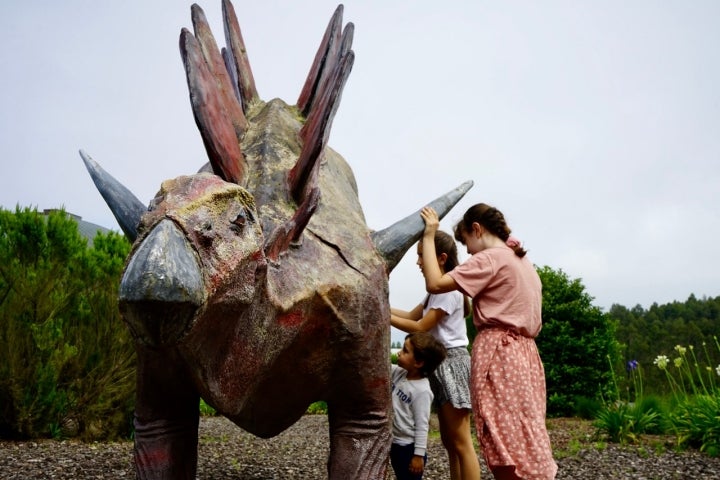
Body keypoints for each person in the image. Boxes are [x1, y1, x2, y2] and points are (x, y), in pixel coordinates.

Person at [418, 203, 557, 480]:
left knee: (501, 433)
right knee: (526, 430)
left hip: (500, 354)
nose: (468, 251)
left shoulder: (491, 258)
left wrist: (430, 234)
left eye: (467, 242)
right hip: (527, 355)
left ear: (477, 229)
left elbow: (434, 283)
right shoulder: (521, 260)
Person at [390, 230, 482, 480]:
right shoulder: (435, 291)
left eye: (422, 256)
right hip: (440, 365)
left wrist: (384, 316)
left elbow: (421, 327)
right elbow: (411, 316)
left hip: (452, 363)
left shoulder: (448, 290)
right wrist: (381, 304)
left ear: (440, 258)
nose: (419, 262)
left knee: (461, 441)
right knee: (450, 443)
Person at [391, 332, 447, 480]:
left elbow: (422, 425)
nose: (399, 353)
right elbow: (381, 365)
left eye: (405, 350)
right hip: (395, 443)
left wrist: (418, 455)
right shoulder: (400, 373)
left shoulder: (422, 391)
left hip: (408, 449)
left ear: (418, 363)